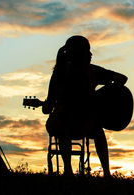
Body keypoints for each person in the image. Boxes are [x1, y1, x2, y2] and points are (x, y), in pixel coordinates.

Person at [43, 35, 128, 176]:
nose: (91, 54)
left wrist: (105, 96)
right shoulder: (93, 71)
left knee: (61, 126)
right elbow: (122, 79)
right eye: (87, 51)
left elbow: (47, 109)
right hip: (86, 125)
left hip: (77, 124)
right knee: (97, 132)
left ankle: (68, 172)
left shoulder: (59, 73)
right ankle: (107, 174)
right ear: (80, 53)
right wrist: (106, 94)